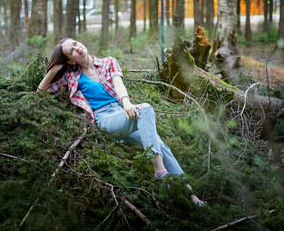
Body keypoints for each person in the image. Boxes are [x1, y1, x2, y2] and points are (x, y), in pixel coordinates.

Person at [38, 38, 206, 206]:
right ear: (69, 60)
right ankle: (160, 172)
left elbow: (119, 85)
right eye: (71, 51)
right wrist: (52, 72)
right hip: (103, 119)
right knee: (145, 109)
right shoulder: (71, 76)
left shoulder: (108, 62)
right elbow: (41, 92)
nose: (77, 48)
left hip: (122, 112)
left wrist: (126, 103)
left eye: (75, 44)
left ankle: (191, 196)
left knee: (162, 147)